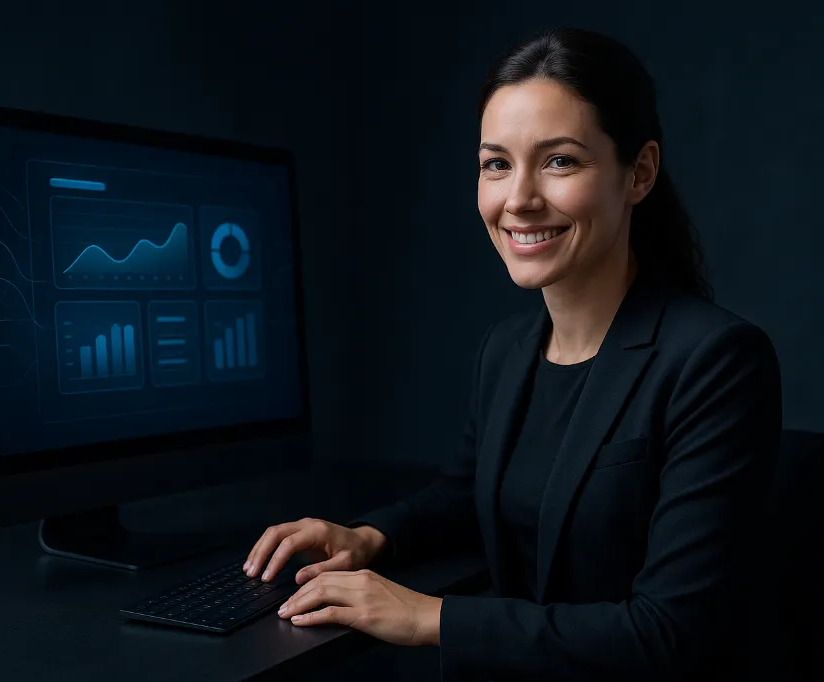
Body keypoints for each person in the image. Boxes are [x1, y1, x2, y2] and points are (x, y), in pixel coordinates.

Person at [242, 26, 783, 681]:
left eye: (559, 161)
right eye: (497, 163)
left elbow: (666, 634)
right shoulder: (507, 351)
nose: (519, 199)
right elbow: (472, 495)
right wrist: (367, 537)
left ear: (638, 172)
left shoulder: (716, 361)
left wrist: (426, 617)